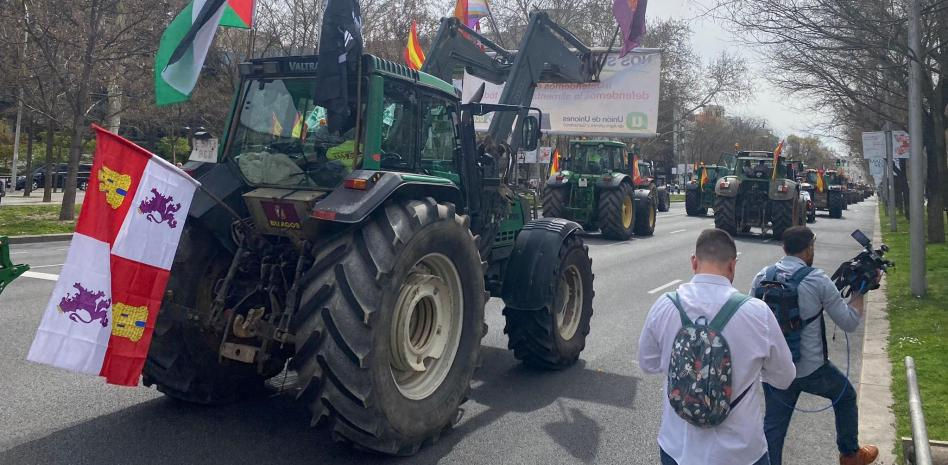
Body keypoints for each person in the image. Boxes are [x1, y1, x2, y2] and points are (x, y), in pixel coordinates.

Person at [638, 229, 796, 465]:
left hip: (677, 449)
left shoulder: (665, 305)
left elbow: (647, 364)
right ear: (732, 266)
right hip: (740, 453)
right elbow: (784, 377)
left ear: (694, 262)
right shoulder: (757, 313)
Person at [751, 226, 879, 465]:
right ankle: (851, 455)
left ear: (783, 248)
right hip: (811, 369)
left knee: (774, 429)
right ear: (809, 248)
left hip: (774, 371)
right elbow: (849, 322)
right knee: (846, 396)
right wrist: (860, 291)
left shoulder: (761, 276)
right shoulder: (817, 280)